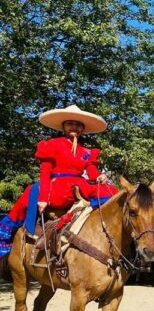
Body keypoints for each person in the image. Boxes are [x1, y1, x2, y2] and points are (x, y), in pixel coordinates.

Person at [0, 105, 118, 259]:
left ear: (83, 129)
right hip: (58, 185)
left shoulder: (88, 152)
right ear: (63, 126)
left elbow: (92, 172)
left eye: (78, 124)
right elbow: (45, 172)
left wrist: (99, 177)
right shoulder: (52, 144)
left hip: (79, 184)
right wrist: (42, 199)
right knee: (31, 193)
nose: (74, 127)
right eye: (70, 123)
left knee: (112, 192)